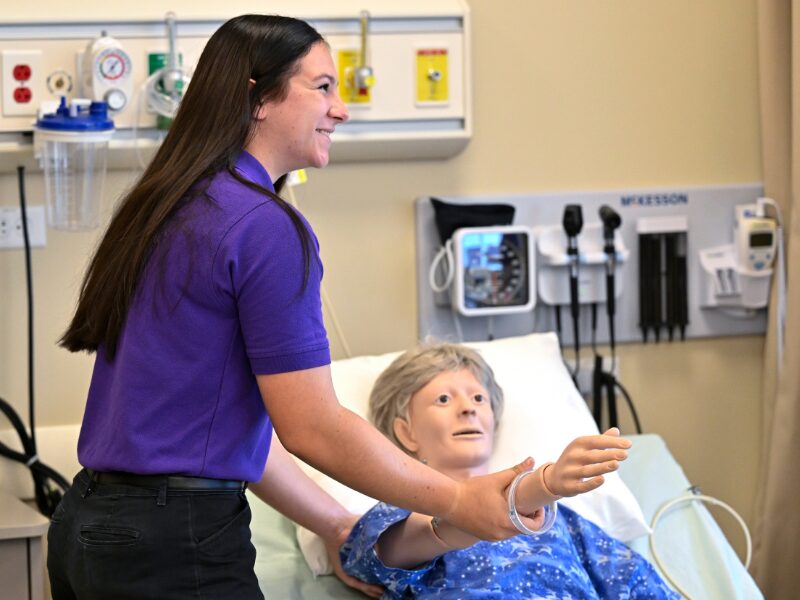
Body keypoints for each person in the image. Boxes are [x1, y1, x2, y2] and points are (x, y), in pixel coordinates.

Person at [46, 14, 542, 600]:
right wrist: (461, 498)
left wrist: (335, 524)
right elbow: (312, 428)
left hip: (88, 530)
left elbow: (227, 437)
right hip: (174, 547)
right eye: (323, 87)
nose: (341, 109)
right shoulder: (264, 227)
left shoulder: (165, 206)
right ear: (256, 99)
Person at [341, 342, 679, 599]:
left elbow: (637, 584)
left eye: (478, 399)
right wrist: (541, 485)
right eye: (444, 399)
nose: (467, 410)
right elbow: (378, 558)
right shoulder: (398, 512)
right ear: (406, 432)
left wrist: (543, 493)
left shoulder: (562, 521)